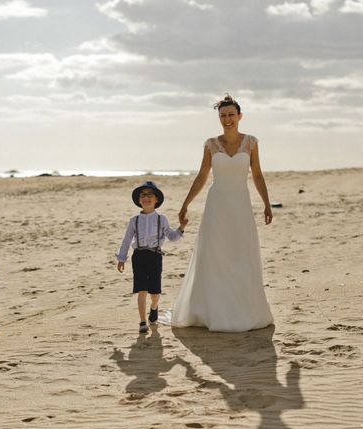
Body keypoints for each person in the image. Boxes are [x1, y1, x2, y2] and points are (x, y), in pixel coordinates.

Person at [170, 94, 274, 332]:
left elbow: (257, 175)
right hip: (216, 206)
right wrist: (185, 204)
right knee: (214, 255)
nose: (227, 119)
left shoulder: (251, 143)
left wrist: (267, 204)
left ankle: (243, 310)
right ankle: (212, 311)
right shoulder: (211, 144)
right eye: (223, 116)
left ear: (239, 116)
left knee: (240, 254)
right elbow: (202, 176)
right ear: (219, 118)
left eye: (231, 115)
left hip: (240, 204)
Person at [116, 181, 187, 334]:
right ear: (139, 200)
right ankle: (142, 321)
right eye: (143, 195)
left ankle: (154, 307)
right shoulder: (133, 220)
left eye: (149, 195)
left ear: (156, 200)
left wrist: (181, 227)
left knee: (155, 292)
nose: (146, 198)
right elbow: (127, 240)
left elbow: (172, 237)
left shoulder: (162, 219)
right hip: (139, 256)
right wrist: (122, 258)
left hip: (155, 256)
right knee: (141, 289)